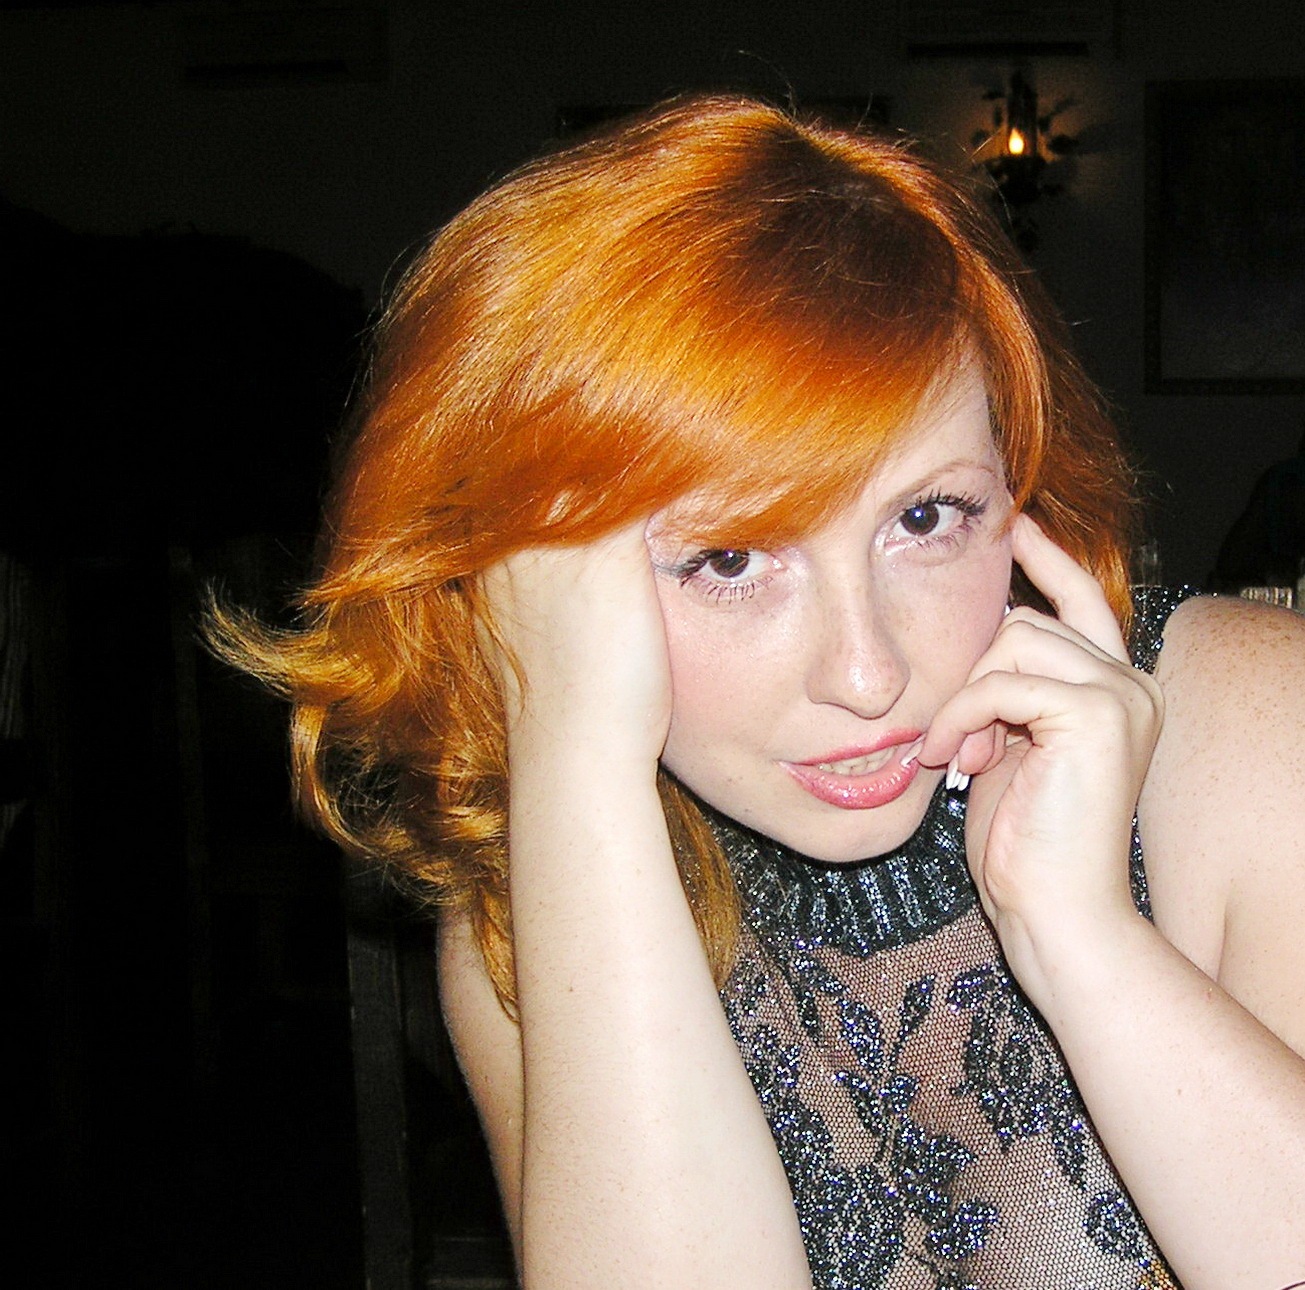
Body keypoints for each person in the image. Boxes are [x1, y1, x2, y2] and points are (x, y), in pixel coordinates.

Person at [213, 96, 1305, 1289]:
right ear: (536, 587)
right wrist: (576, 761)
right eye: (729, 559)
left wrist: (1078, 931)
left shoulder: (1251, 728)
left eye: (926, 518)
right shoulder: (548, 895)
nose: (868, 674)